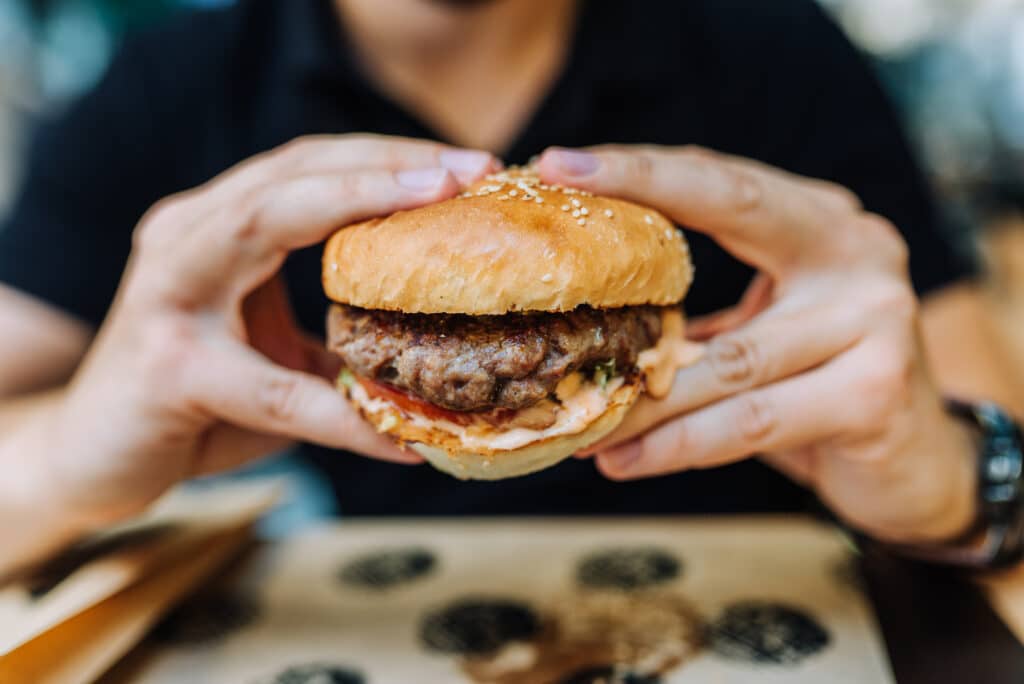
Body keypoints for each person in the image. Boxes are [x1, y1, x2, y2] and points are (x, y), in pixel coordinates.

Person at [0, 0, 1020, 578]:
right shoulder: (164, 90)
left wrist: (959, 484)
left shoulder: (775, 52)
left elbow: (990, 428)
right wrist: (59, 462)